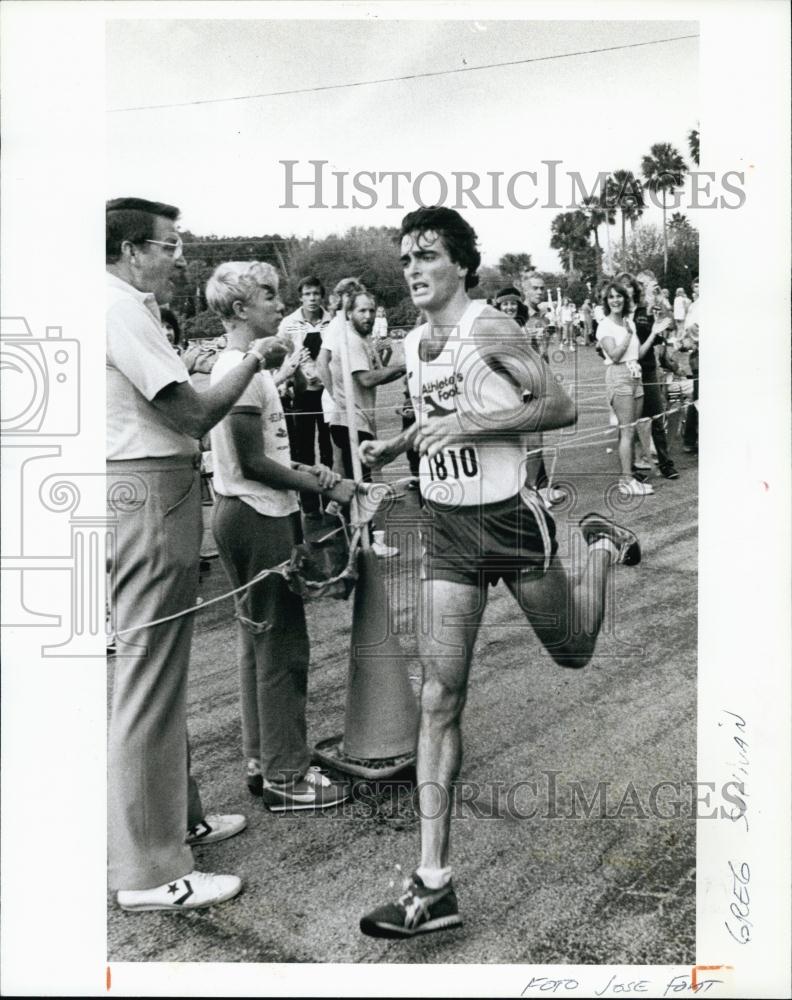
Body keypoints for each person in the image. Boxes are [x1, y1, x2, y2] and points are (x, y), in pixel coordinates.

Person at [358, 206, 643, 939]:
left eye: (426, 256)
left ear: (460, 264)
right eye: (405, 260)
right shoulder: (418, 343)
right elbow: (439, 418)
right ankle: (433, 884)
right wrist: (398, 451)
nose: (413, 270)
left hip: (511, 523)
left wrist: (467, 427)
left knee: (574, 650)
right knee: (439, 695)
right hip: (449, 531)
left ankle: (602, 548)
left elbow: (552, 404)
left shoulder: (489, 328)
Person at [105, 197, 288, 912]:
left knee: (162, 669)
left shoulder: (125, 306)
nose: (179, 257)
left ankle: (178, 821)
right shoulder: (119, 307)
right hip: (147, 492)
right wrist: (250, 364)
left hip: (156, 490)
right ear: (128, 250)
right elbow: (192, 413)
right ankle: (149, 870)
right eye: (168, 245)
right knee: (148, 677)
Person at [205, 260, 354, 810]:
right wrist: (323, 486)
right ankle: (286, 777)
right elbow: (250, 462)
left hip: (249, 509)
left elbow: (260, 457)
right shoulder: (241, 369)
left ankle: (263, 757)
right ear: (240, 309)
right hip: (256, 512)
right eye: (267, 295)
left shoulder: (253, 368)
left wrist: (306, 477)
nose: (278, 302)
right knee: (284, 648)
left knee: (257, 644)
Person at [328, 290, 406, 557]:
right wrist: (403, 367)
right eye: (362, 310)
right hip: (351, 421)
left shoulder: (362, 339)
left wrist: (388, 363)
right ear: (349, 313)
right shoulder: (350, 340)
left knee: (360, 481)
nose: (368, 316)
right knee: (368, 483)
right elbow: (367, 379)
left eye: (372, 310)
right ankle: (371, 541)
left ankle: (355, 535)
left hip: (355, 420)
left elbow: (372, 373)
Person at [277, 275, 334, 520]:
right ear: (300, 297)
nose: (312, 299)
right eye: (307, 294)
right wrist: (292, 377)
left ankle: (331, 499)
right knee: (304, 450)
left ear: (322, 296)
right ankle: (310, 504)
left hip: (328, 392)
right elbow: (281, 356)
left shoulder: (333, 321)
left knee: (329, 447)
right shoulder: (289, 324)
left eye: (316, 294)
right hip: (302, 393)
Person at [595, 282, 653, 497]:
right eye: (611, 297)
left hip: (635, 373)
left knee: (631, 429)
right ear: (606, 301)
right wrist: (628, 335)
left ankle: (627, 476)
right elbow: (614, 355)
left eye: (619, 296)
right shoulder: (605, 326)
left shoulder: (629, 322)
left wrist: (654, 334)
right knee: (627, 429)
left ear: (625, 299)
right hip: (618, 376)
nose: (615, 300)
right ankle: (626, 480)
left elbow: (638, 353)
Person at [681, 276, 699, 452]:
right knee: (699, 399)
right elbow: (690, 328)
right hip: (699, 356)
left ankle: (691, 438)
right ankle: (690, 439)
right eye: (697, 285)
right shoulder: (695, 307)